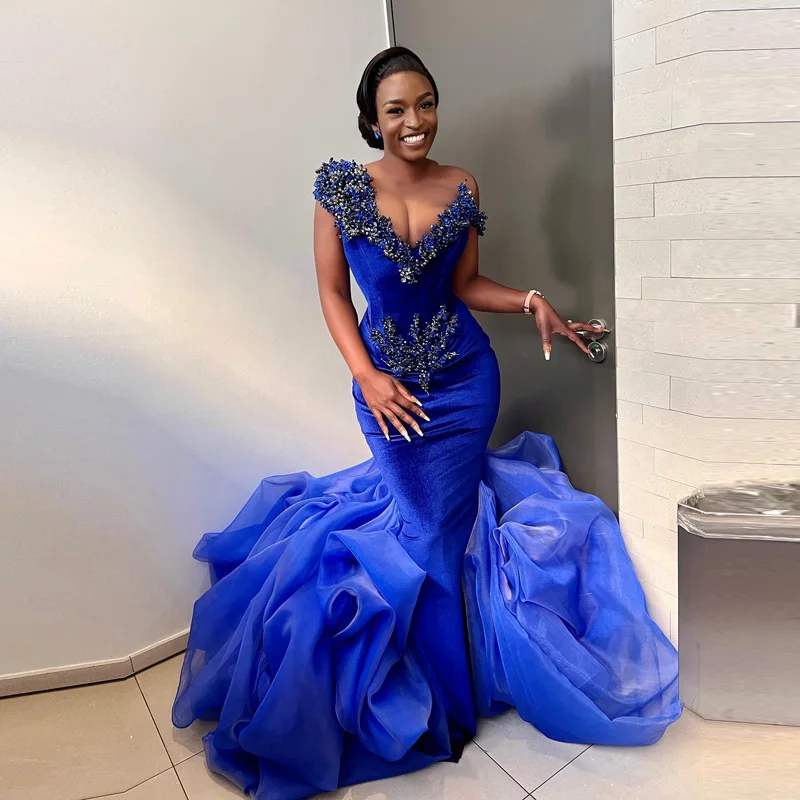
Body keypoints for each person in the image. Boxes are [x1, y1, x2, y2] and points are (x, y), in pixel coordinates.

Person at [172, 47, 680, 800]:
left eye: (426, 104)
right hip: (388, 392)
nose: (416, 121)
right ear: (372, 120)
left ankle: (446, 701)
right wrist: (366, 376)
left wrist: (531, 300)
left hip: (465, 382)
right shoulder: (341, 190)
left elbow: (466, 283)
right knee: (424, 530)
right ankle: (421, 702)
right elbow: (333, 294)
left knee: (443, 530)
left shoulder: (462, 184)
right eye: (397, 110)